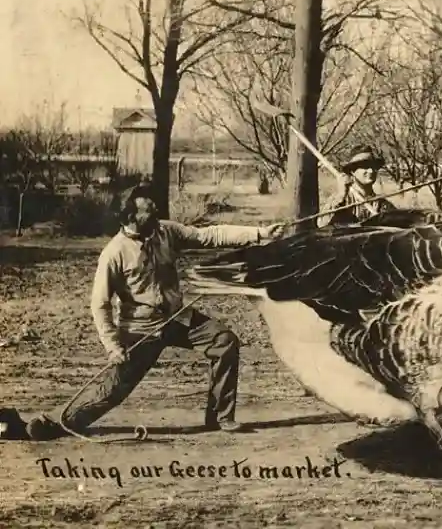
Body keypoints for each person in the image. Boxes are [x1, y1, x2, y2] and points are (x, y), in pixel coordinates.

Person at [1, 183, 285, 441]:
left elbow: (208, 235)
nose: (157, 215)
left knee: (224, 341)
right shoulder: (114, 253)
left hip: (178, 318)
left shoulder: (166, 231)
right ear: (130, 217)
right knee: (111, 391)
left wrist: (258, 233)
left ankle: (220, 418)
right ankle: (48, 424)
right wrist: (113, 346)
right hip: (141, 329)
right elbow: (99, 304)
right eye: (149, 211)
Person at [318, 146, 397, 228]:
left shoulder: (382, 204)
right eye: (365, 167)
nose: (371, 171)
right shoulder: (341, 200)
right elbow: (321, 224)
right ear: (352, 171)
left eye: (373, 167)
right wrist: (341, 195)